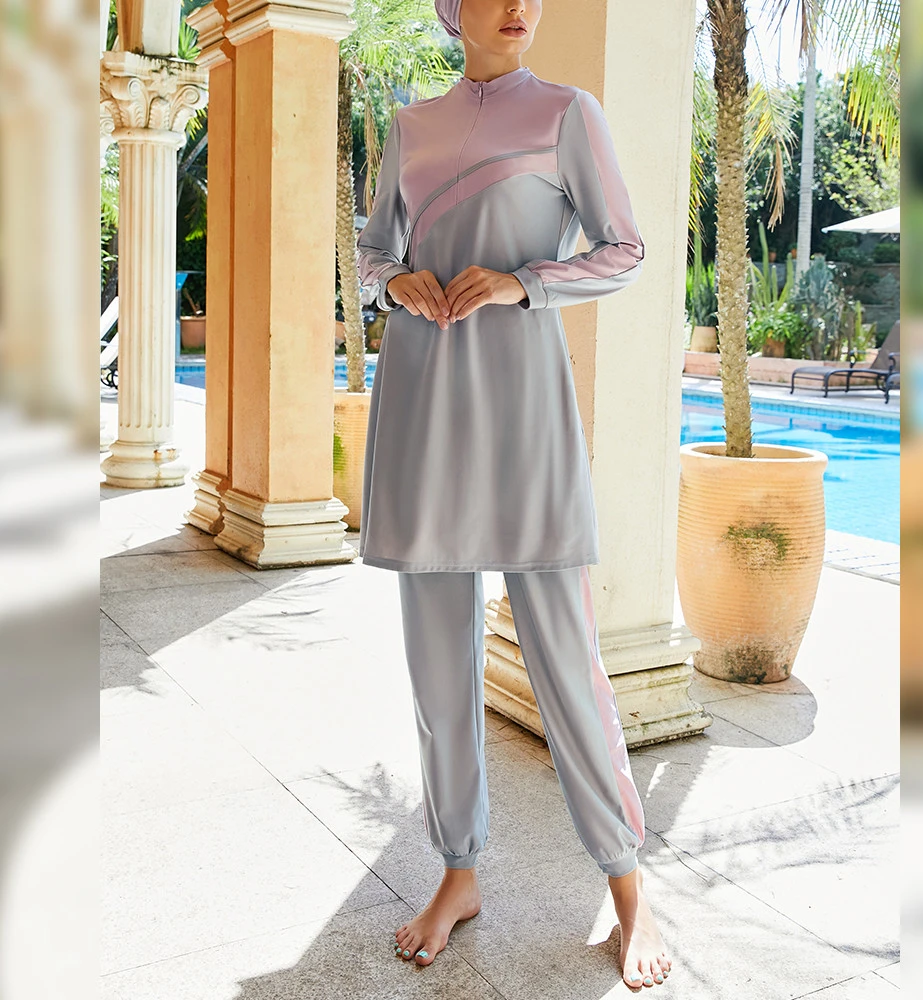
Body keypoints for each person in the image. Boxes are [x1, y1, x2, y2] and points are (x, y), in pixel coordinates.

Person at [355, 0, 672, 989]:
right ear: (453, 11)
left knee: (567, 661)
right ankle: (458, 873)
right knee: (436, 667)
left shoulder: (568, 113)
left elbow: (624, 248)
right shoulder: (411, 127)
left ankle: (628, 887)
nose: (518, 8)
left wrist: (522, 281)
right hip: (423, 402)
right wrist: (394, 284)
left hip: (525, 406)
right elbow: (371, 251)